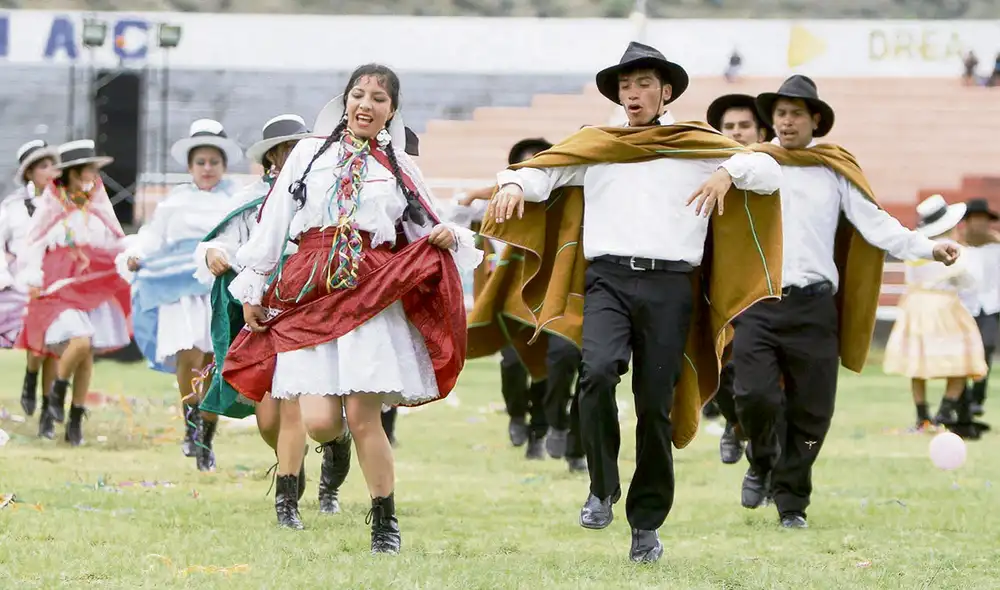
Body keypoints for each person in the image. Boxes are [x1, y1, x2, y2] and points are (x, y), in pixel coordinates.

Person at [475, 41, 784, 563]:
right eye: (625, 86)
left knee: (654, 409)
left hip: (671, 287)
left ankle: (646, 525)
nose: (633, 94)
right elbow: (543, 173)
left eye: (643, 84)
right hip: (608, 281)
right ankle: (600, 487)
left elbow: (771, 173)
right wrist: (509, 182)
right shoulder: (597, 144)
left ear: (666, 92)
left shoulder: (701, 145)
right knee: (595, 374)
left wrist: (730, 171)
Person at [221, 64, 481, 555]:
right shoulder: (307, 154)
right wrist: (254, 283)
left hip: (369, 290)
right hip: (310, 285)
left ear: (391, 111)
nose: (366, 104)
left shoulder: (399, 167)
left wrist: (449, 236)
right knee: (320, 420)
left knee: (365, 414)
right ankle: (331, 450)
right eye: (358, 94)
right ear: (345, 101)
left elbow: (431, 224)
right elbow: (276, 217)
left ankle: (385, 522)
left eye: (378, 98)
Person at [736, 75, 961, 528]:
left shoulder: (833, 171)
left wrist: (928, 247)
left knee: (812, 411)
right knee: (754, 396)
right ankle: (761, 460)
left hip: (815, 308)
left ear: (815, 120)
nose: (786, 121)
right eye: (779, 113)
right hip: (760, 303)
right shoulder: (752, 165)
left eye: (796, 113)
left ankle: (792, 505)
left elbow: (876, 225)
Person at [195, 113, 317, 528]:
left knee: (300, 406)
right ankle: (292, 464)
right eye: (284, 150)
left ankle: (288, 500)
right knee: (268, 418)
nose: (292, 157)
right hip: (261, 311)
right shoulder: (252, 199)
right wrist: (214, 253)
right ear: (270, 159)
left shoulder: (322, 194)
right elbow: (222, 241)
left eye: (299, 148)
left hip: (308, 308)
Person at [124, 119, 242, 471]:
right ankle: (191, 425)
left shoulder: (235, 200)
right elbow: (152, 236)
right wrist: (136, 254)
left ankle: (206, 432)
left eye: (214, 162)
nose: (207, 169)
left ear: (223, 165)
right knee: (187, 356)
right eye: (200, 163)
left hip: (215, 287)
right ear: (190, 167)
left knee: (212, 360)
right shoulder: (173, 203)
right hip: (178, 286)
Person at [17, 139, 132, 445]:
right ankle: (52, 396)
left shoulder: (97, 203)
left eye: (93, 171)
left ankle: (74, 420)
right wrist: (33, 276)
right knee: (76, 341)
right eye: (85, 171)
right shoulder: (51, 204)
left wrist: (131, 256)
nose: (91, 178)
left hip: (91, 284)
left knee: (86, 351)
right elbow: (34, 241)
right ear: (69, 173)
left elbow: (114, 239)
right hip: (58, 285)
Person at [705, 94, 775, 466]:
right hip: (716, 286)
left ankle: (762, 457)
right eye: (728, 127)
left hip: (764, 291)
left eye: (743, 126)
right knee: (719, 367)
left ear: (762, 131)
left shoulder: (775, 170)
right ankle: (734, 424)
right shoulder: (704, 169)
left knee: (760, 382)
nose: (736, 132)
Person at [884, 195, 988, 437]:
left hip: (916, 306)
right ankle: (944, 412)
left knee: (917, 363)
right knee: (960, 361)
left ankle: (923, 417)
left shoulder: (915, 249)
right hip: (944, 307)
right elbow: (970, 281)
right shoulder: (953, 249)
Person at [2, 140, 59, 419]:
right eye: (43, 166)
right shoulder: (12, 207)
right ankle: (30, 377)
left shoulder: (66, 205)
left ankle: (48, 404)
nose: (50, 171)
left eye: (53, 165)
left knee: (55, 343)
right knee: (37, 342)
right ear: (29, 173)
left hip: (56, 284)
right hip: (18, 287)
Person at [959, 198, 1000, 417]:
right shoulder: (959, 248)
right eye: (976, 220)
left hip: (991, 307)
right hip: (965, 308)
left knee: (987, 347)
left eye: (983, 220)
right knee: (963, 353)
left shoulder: (996, 247)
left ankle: (978, 397)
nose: (980, 224)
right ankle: (962, 397)